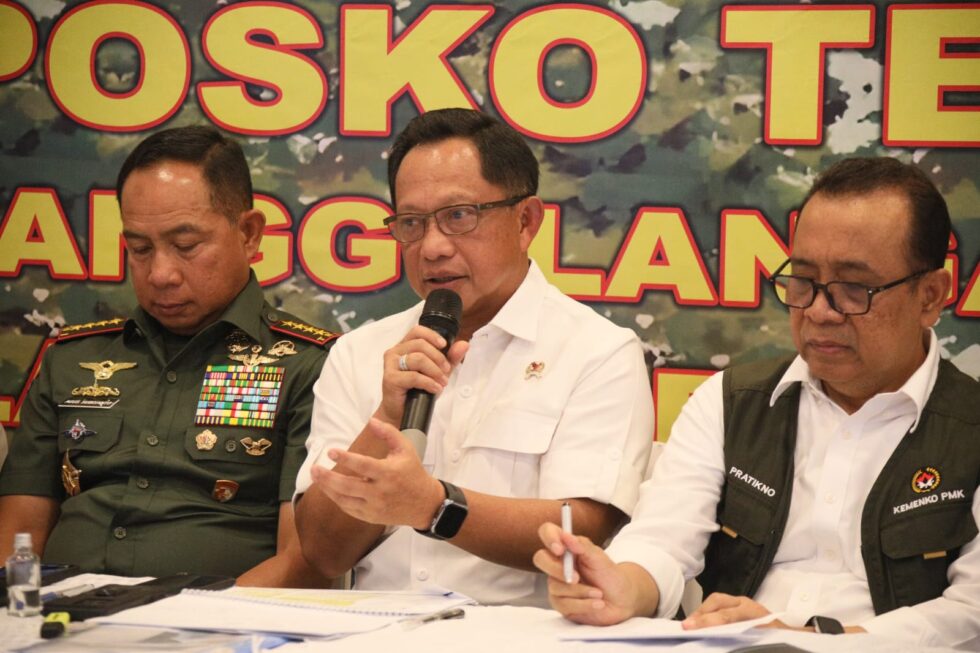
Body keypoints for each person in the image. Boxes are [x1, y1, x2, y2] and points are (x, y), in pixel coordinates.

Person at [534, 157, 980, 649]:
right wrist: (621, 586)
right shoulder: (731, 402)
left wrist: (814, 638)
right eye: (803, 281)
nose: (819, 311)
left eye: (854, 289)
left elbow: (970, 613)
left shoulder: (968, 428)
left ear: (931, 296)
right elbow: (662, 540)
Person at [293, 108, 654, 606]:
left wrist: (436, 507)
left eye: (459, 216)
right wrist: (388, 413)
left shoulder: (597, 351)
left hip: (525, 636)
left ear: (525, 221)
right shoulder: (358, 352)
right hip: (374, 633)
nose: (432, 247)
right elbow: (323, 553)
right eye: (411, 223)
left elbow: (586, 527)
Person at [0, 126, 337, 586]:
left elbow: (304, 561)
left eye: (185, 246)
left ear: (249, 234)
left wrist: (189, 617)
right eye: (140, 249)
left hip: (217, 619)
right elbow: (17, 538)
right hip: (61, 616)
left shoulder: (310, 366)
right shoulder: (72, 358)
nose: (160, 274)